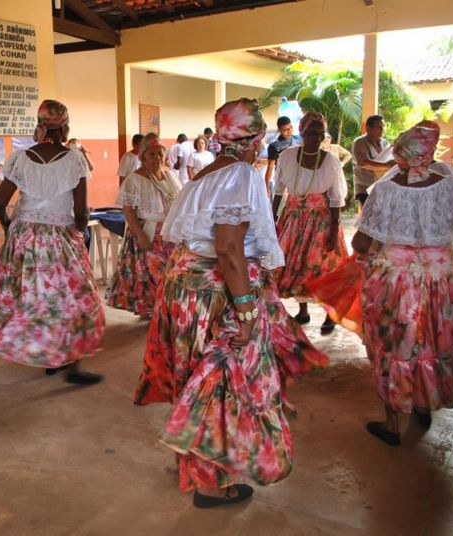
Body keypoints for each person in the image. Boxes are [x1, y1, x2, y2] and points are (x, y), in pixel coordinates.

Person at [135, 99, 292, 508]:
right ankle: (209, 484)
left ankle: (192, 458)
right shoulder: (241, 174)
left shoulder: (206, 172)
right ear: (256, 138)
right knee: (221, 384)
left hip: (185, 289)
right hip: (214, 295)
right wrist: (245, 311)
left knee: (195, 376)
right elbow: (228, 249)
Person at [0, 99, 104, 385]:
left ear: (40, 126)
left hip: (24, 239)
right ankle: (70, 364)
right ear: (64, 127)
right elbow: (82, 211)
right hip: (59, 237)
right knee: (76, 301)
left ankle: (52, 355)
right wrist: (78, 232)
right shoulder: (74, 159)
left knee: (36, 301)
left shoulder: (20, 158)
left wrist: (9, 225)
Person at [348, 121, 453, 445]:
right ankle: (423, 404)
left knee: (393, 346)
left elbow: (361, 241)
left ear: (399, 151)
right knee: (432, 343)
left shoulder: (386, 189)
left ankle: (392, 425)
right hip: (443, 281)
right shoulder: (449, 183)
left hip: (396, 284)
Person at [271, 112, 348, 335]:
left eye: (320, 133)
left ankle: (328, 315)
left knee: (323, 269)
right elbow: (278, 190)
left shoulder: (331, 161)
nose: (316, 137)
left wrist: (334, 229)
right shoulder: (286, 156)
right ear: (301, 134)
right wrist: (272, 218)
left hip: (321, 221)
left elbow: (335, 198)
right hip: (293, 219)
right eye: (311, 133)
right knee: (295, 267)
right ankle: (303, 311)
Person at [106, 137, 181, 317]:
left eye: (160, 154)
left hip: (169, 233)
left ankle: (163, 309)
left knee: (171, 273)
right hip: (149, 231)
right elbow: (128, 208)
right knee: (153, 274)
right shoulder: (135, 179)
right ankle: (156, 311)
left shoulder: (169, 175)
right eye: (152, 154)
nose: (157, 158)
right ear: (143, 157)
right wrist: (139, 234)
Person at [352, 114, 394, 206]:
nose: (382, 130)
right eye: (379, 127)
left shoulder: (385, 143)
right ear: (368, 128)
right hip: (365, 189)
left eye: (383, 127)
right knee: (370, 218)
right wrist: (388, 165)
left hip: (382, 187)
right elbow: (364, 163)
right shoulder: (360, 142)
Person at [264, 116, 300, 196]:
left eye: (291, 127)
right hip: (282, 183)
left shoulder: (298, 141)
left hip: (299, 181)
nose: (290, 131)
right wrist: (266, 187)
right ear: (279, 130)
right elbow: (270, 167)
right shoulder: (274, 146)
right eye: (286, 129)